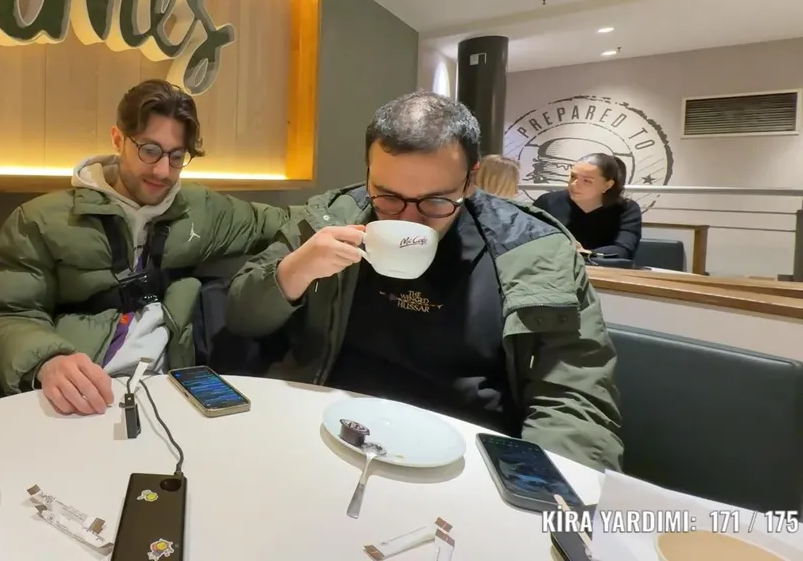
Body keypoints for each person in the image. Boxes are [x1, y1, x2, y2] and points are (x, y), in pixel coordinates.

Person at [224, 91, 624, 471]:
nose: (407, 221)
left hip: (469, 456)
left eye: (435, 201)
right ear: (368, 175)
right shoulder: (330, 217)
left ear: (470, 180)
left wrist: (537, 487)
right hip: (329, 430)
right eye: (387, 197)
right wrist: (295, 270)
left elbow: (574, 397)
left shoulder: (533, 250)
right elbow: (242, 317)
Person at [0, 79, 288, 415]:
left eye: (176, 156)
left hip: (173, 396)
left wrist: (329, 225)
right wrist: (48, 360)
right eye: (149, 150)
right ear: (118, 139)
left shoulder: (199, 209)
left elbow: (279, 222)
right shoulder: (40, 220)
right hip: (83, 400)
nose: (162, 171)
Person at [533, 153, 643, 261]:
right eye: (573, 176)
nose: (574, 184)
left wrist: (585, 253)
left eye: (587, 181)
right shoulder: (547, 202)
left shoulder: (626, 209)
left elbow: (624, 250)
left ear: (607, 185)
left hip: (602, 269)